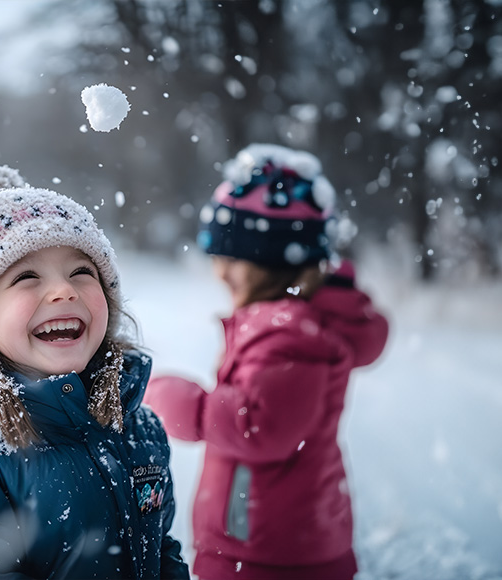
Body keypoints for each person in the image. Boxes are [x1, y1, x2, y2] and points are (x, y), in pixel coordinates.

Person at [0, 163, 190, 579]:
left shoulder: (137, 426)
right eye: (26, 276)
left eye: (81, 271)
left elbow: (161, 550)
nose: (65, 290)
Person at [144, 144, 389, 580]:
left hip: (269, 553)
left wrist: (170, 399)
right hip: (277, 538)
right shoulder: (289, 324)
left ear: (266, 264)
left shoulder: (289, 335)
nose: (219, 274)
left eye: (229, 261)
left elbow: (255, 426)